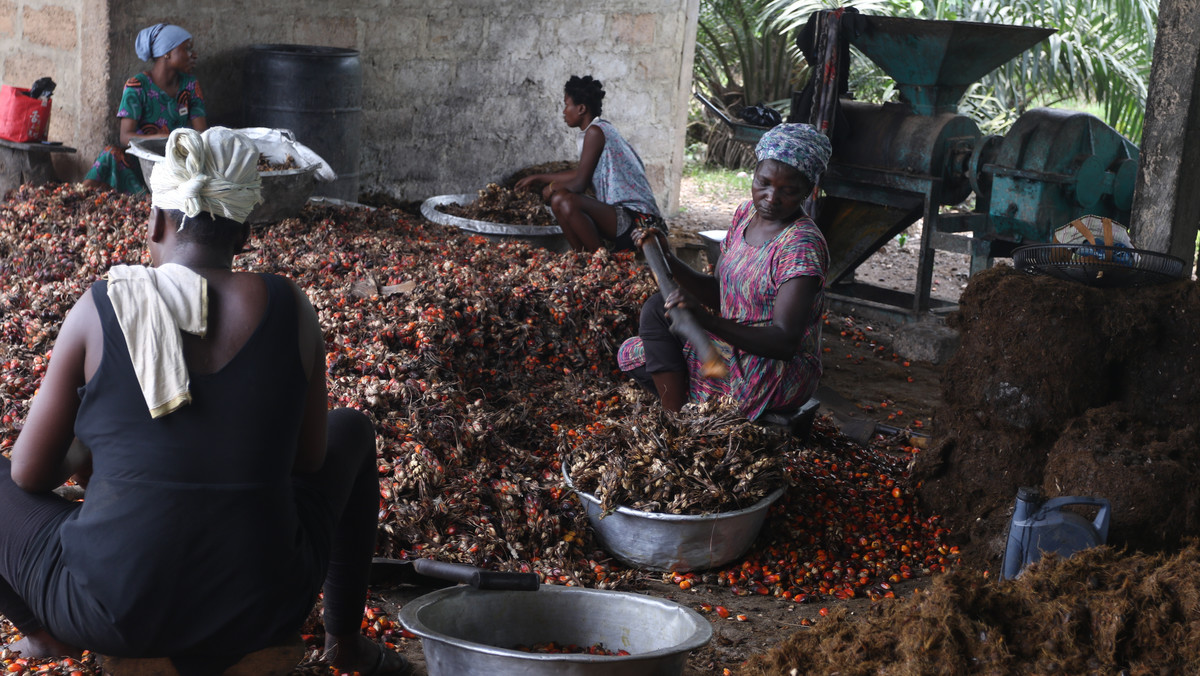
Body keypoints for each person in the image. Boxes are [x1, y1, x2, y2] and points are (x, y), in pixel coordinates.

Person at [1, 128, 409, 675]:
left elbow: (29, 474)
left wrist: (84, 454)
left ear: (156, 221)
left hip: (110, 610)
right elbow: (308, 463)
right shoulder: (291, 307)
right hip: (267, 604)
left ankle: (43, 634)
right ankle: (345, 646)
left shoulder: (102, 307)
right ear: (243, 236)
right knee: (353, 430)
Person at [617, 123, 832, 421]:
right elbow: (720, 292)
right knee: (648, 325)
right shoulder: (746, 215)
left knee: (654, 356)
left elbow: (784, 342)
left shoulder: (800, 244)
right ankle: (682, 416)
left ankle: (678, 423)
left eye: (788, 191)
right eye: (764, 183)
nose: (771, 197)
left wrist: (706, 320)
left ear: (809, 191)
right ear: (754, 175)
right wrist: (666, 256)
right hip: (732, 343)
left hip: (773, 369)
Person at [515, 75, 664, 251]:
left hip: (640, 222)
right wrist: (538, 177)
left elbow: (579, 183)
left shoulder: (595, 132)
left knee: (564, 199)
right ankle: (585, 261)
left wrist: (552, 186)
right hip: (625, 217)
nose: (564, 111)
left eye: (566, 104)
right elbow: (581, 172)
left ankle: (602, 264)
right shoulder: (600, 130)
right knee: (559, 201)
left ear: (581, 109)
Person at [82, 23, 208, 194]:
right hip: (144, 160)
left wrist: (178, 145)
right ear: (167, 53)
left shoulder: (190, 85)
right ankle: (81, 194)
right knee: (110, 154)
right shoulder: (137, 86)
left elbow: (202, 133)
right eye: (186, 49)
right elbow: (125, 138)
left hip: (177, 160)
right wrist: (163, 138)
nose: (193, 55)